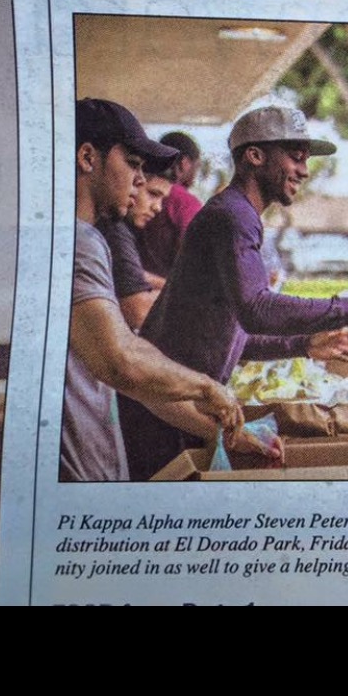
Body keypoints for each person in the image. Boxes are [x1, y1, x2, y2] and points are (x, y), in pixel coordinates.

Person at [119, 105, 348, 479]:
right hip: (163, 411)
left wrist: (303, 345)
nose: (304, 170)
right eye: (295, 157)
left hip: (172, 406)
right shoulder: (234, 216)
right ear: (254, 156)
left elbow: (227, 334)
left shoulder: (235, 214)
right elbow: (257, 309)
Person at [61, 99, 240, 482]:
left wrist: (220, 431)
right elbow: (122, 360)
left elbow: (130, 369)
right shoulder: (77, 242)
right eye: (133, 164)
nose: (141, 181)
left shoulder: (82, 239)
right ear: (87, 157)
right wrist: (206, 386)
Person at [97, 165, 173, 332]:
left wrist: (173, 285)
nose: (158, 207)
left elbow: (134, 274)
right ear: (134, 183)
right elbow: (138, 311)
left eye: (162, 199)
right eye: (153, 194)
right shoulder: (114, 230)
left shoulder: (118, 227)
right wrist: (188, 295)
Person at [136, 131, 203, 280]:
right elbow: (193, 261)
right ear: (185, 163)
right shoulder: (186, 202)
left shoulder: (136, 192)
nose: (157, 206)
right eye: (197, 167)